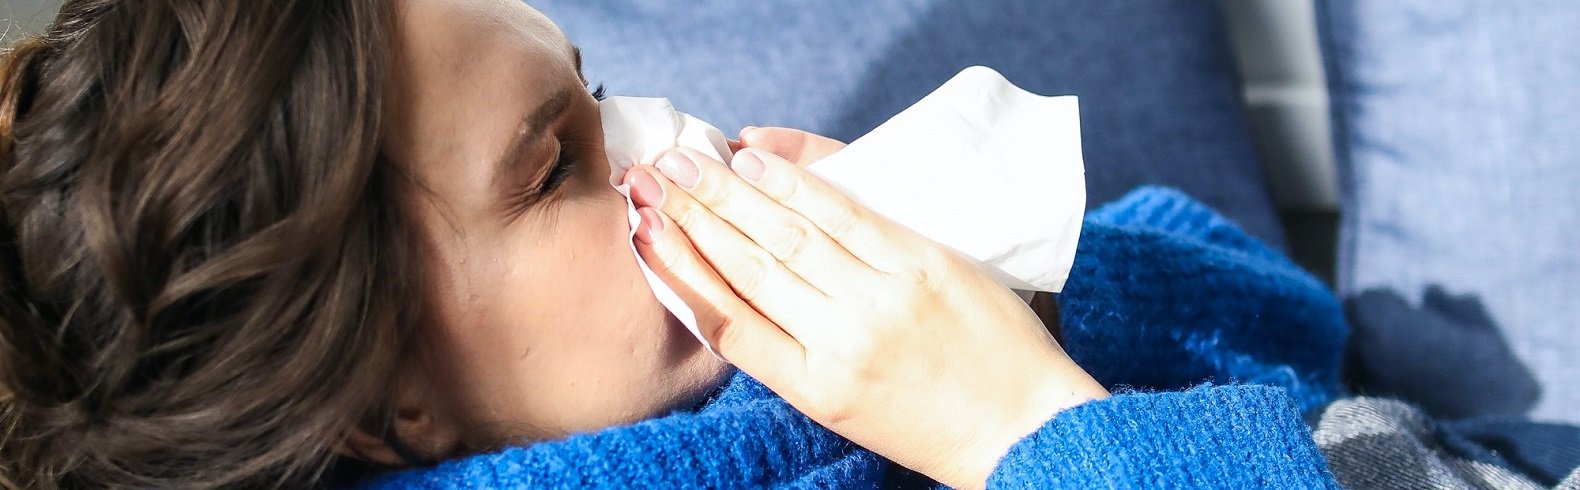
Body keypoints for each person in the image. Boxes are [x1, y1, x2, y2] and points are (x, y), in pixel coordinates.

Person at [0, 1, 1348, 488]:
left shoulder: (757, 376)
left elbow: (1305, 338)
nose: (667, 137)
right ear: (383, 400)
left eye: (595, 92)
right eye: (555, 167)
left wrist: (1019, 290)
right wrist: (1015, 424)